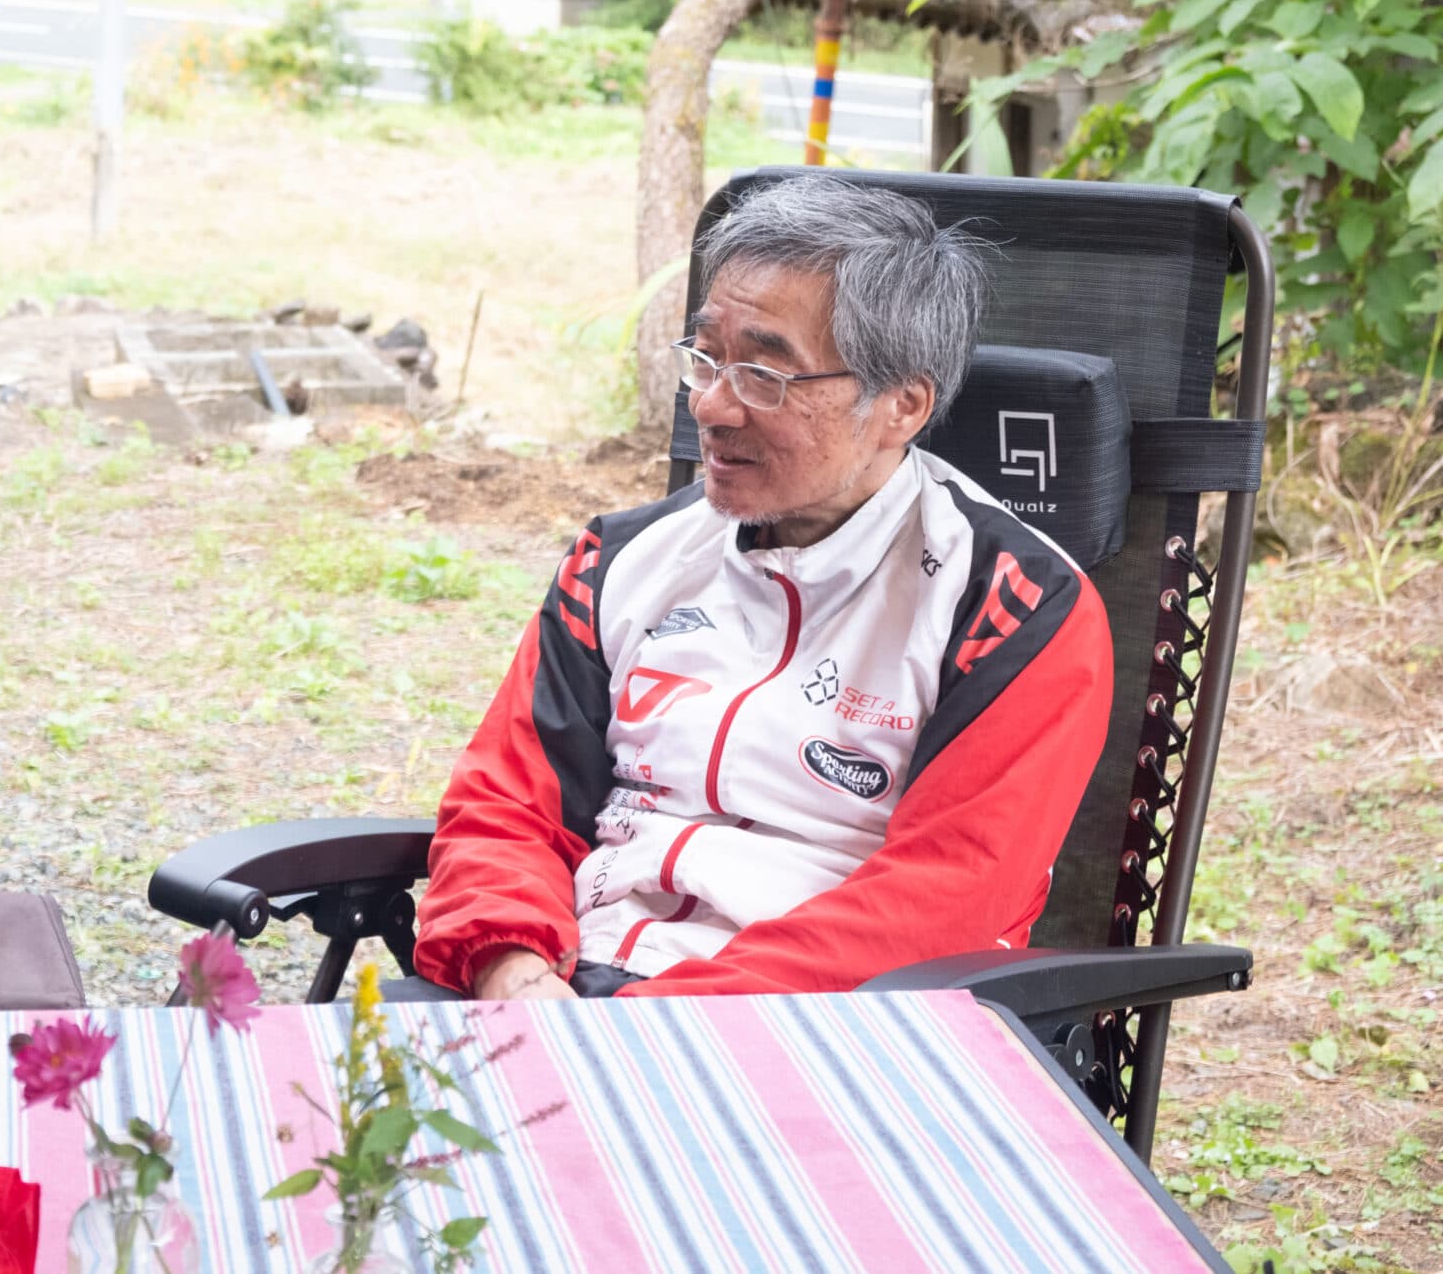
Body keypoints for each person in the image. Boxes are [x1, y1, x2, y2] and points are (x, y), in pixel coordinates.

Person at [413, 176, 1112, 1001]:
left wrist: (641, 1026)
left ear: (901, 405)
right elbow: (505, 806)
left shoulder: (1012, 609)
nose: (712, 404)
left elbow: (943, 903)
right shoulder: (622, 559)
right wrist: (514, 971)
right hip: (557, 987)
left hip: (816, 1033)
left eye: (765, 374)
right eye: (706, 356)